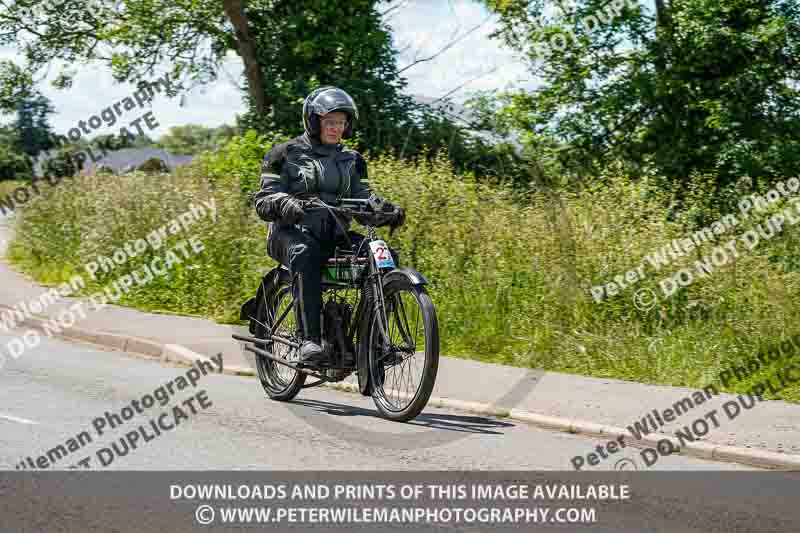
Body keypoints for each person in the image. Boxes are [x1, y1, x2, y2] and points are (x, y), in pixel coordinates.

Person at [254, 86, 405, 365]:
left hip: (335, 235)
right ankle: (309, 340)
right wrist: (285, 204)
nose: (336, 128)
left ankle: (375, 341)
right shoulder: (283, 154)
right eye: (330, 122)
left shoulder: (353, 160)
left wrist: (384, 209)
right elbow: (264, 198)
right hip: (290, 233)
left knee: (383, 255)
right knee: (305, 253)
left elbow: (363, 197)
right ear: (313, 121)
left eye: (341, 123)